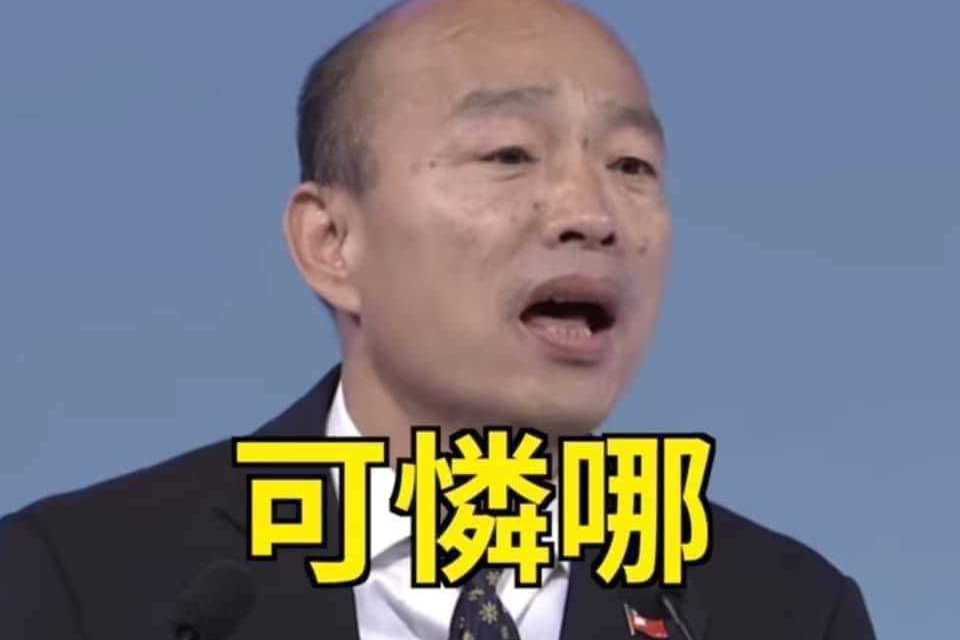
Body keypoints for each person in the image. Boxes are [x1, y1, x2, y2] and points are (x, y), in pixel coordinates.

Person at [0, 1, 876, 638]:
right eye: (510, 154)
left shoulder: (786, 610)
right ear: (332, 243)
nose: (592, 213)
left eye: (632, 165)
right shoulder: (81, 586)